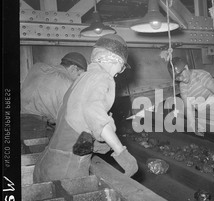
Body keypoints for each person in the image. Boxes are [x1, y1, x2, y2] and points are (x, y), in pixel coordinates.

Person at [33, 34, 138, 182]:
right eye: (121, 67)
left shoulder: (82, 79)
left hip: (48, 164)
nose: (118, 73)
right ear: (114, 60)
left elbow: (74, 120)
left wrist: (93, 143)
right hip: (67, 170)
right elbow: (95, 115)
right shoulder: (103, 77)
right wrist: (122, 153)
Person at [21, 52, 88, 140]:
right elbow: (70, 120)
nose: (78, 80)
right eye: (79, 75)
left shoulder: (38, 67)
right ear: (73, 68)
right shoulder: (67, 83)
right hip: (35, 129)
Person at [168, 57, 214, 136]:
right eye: (177, 78)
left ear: (186, 67)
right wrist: (193, 125)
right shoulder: (183, 86)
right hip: (204, 114)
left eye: (181, 75)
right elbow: (187, 107)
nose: (182, 79)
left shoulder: (200, 75)